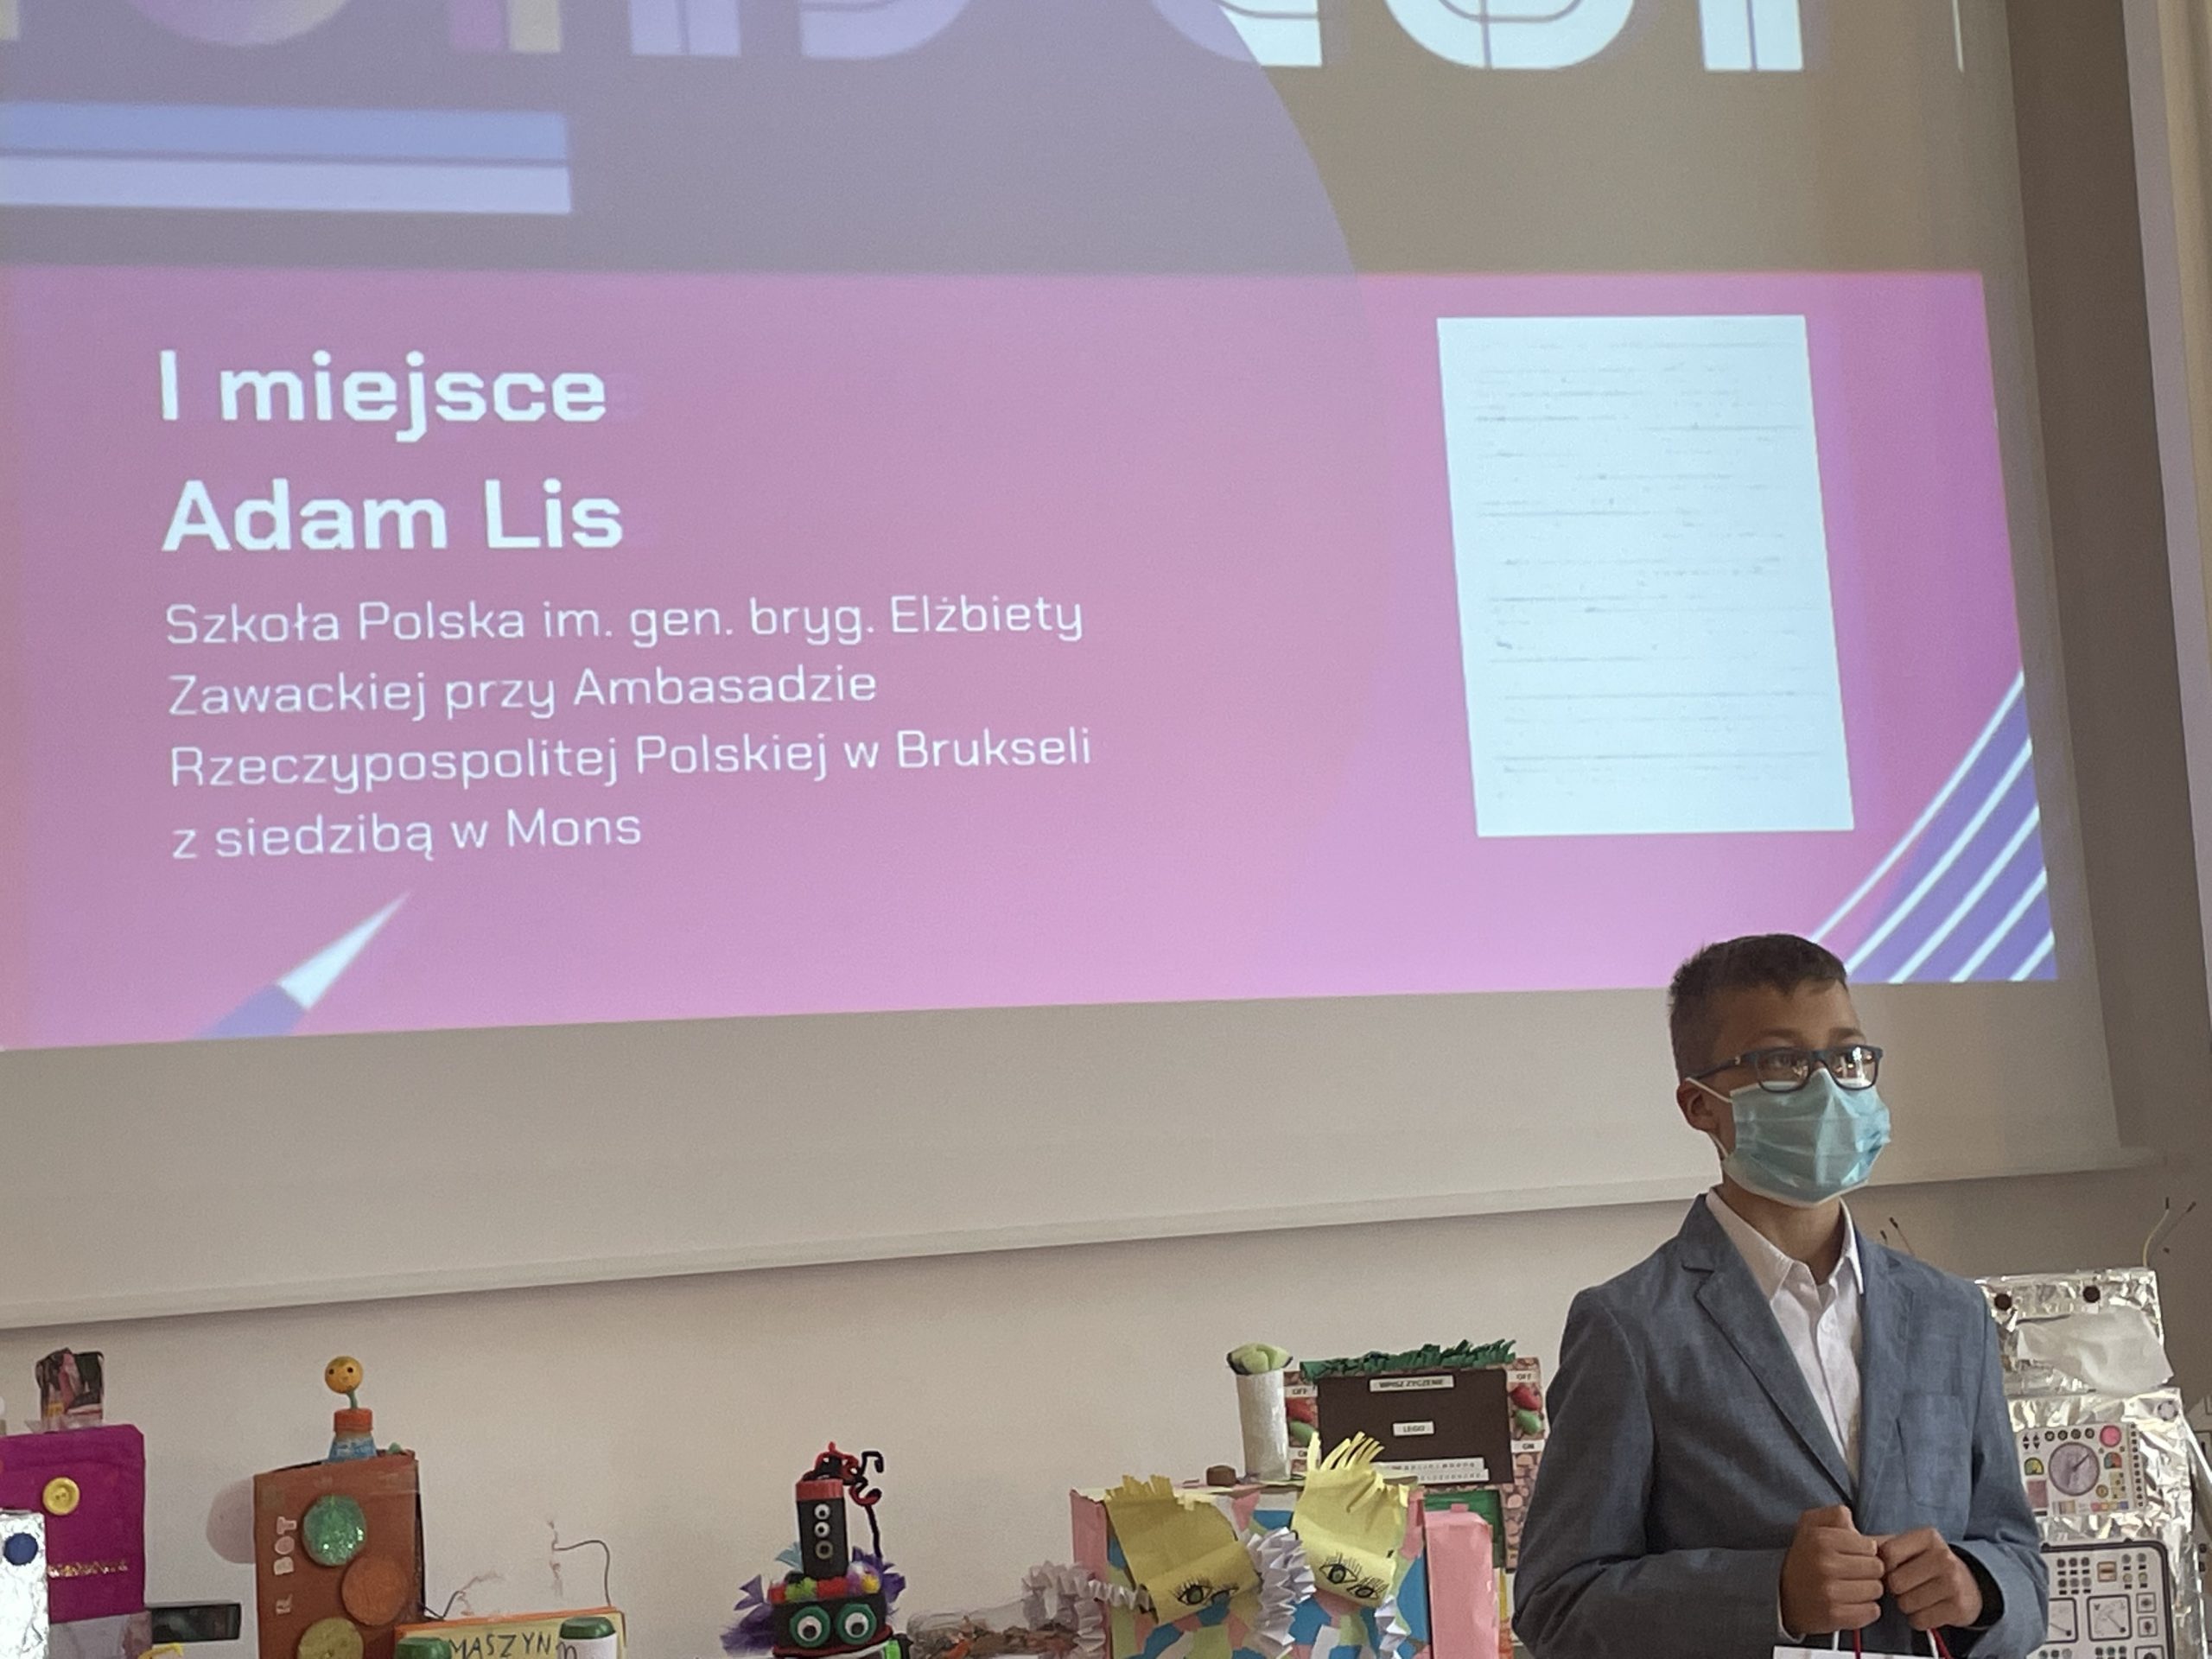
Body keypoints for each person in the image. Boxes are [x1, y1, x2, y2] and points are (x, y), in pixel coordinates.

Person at [1513, 934, 2044, 1659]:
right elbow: (1556, 1606)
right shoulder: (1631, 1327)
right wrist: (1771, 1595)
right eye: (1783, 1062)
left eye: (1847, 1057)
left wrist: (1978, 1587)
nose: (1827, 1087)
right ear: (1700, 1105)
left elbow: (2019, 1557)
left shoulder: (1949, 1314)